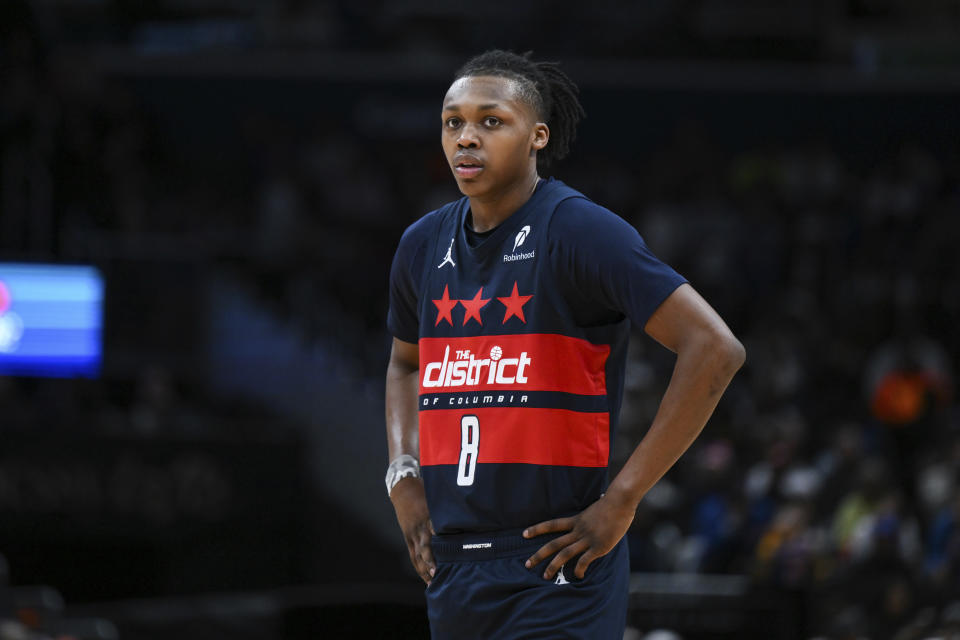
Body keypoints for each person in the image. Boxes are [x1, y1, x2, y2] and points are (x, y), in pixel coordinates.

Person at [384, 50, 745, 639]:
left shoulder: (579, 229)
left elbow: (715, 347)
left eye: (491, 121)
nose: (467, 139)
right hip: (454, 567)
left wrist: (623, 498)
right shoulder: (422, 245)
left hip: (557, 562)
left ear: (537, 137)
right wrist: (402, 474)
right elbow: (404, 363)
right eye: (454, 123)